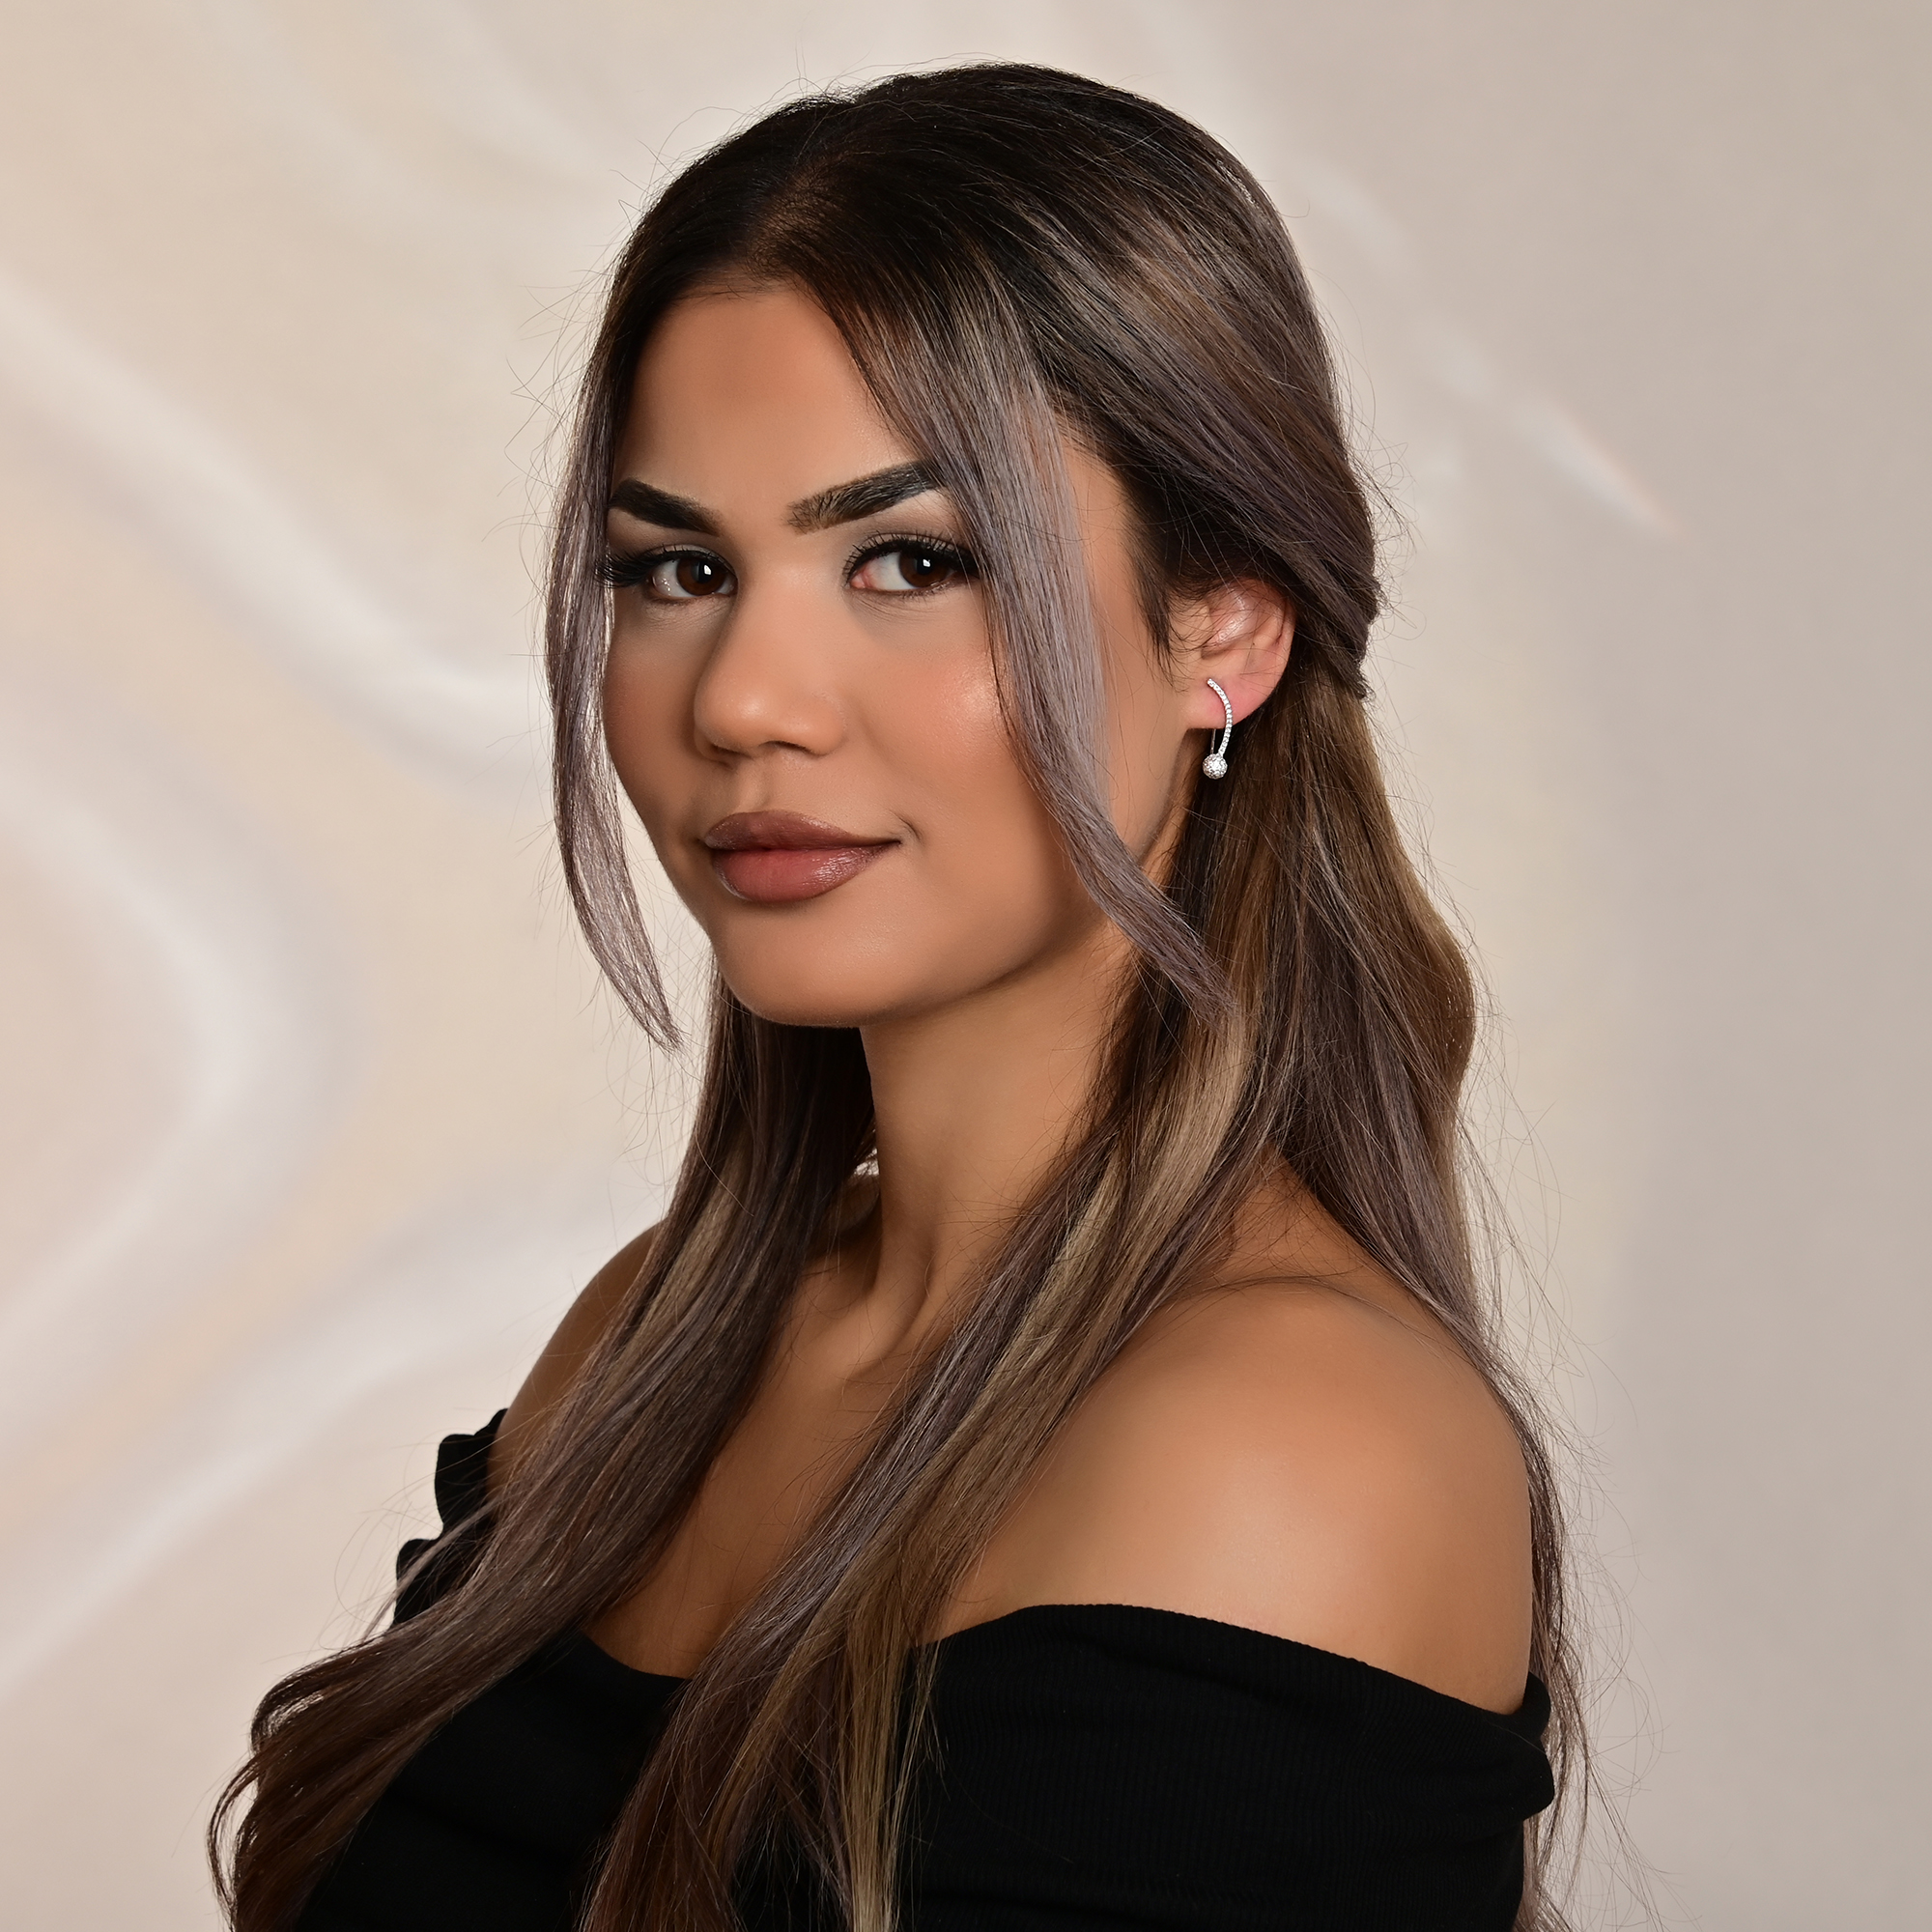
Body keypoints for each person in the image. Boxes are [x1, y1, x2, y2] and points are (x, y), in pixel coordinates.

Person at [213, 63, 1579, 1932]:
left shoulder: (1291, 1445)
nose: (744, 700)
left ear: (1224, 633)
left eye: (913, 561)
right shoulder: (650, 1344)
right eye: (680, 568)